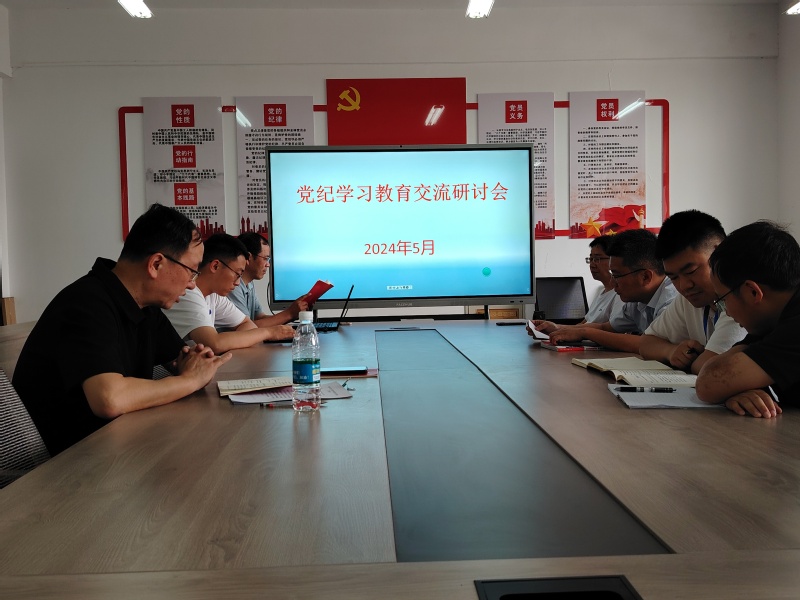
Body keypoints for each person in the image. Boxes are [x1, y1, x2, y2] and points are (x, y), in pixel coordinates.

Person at [12, 204, 232, 456]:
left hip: (117, 447)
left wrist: (194, 363)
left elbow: (181, 359)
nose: (192, 285)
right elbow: (109, 399)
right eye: (192, 272)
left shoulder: (146, 307)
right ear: (156, 264)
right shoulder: (87, 303)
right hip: (64, 465)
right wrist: (189, 380)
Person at [696, 220, 800, 418]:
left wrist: (729, 387)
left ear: (752, 292)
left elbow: (708, 384)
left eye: (723, 300)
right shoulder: (773, 319)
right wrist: (737, 390)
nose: (726, 312)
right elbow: (719, 375)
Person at [639, 210, 746, 374]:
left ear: (719, 254)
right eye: (673, 277)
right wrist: (671, 352)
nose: (684, 286)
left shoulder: (741, 298)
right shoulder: (690, 298)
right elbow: (646, 343)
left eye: (691, 271)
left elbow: (710, 367)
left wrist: (695, 361)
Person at [547, 229, 676, 353]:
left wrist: (585, 333)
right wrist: (559, 329)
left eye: (617, 275)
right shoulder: (637, 300)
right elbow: (605, 327)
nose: (612, 283)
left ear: (645, 277)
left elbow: (648, 344)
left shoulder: (671, 300)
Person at [163, 233, 294, 353]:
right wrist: (269, 333)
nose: (238, 283)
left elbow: (248, 324)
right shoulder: (188, 293)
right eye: (237, 274)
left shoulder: (214, 295)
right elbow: (215, 343)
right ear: (215, 266)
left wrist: (229, 340)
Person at [528, 235, 619, 336]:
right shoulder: (602, 293)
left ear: (614, 260)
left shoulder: (620, 296)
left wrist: (559, 329)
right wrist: (553, 328)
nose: (592, 264)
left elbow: (610, 330)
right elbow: (583, 324)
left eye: (597, 259)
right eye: (591, 259)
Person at [228, 231, 308, 328]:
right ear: (248, 257)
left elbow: (259, 318)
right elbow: (246, 328)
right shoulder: (233, 286)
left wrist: (293, 314)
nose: (268, 264)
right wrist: (290, 313)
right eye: (265, 258)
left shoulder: (249, 284)